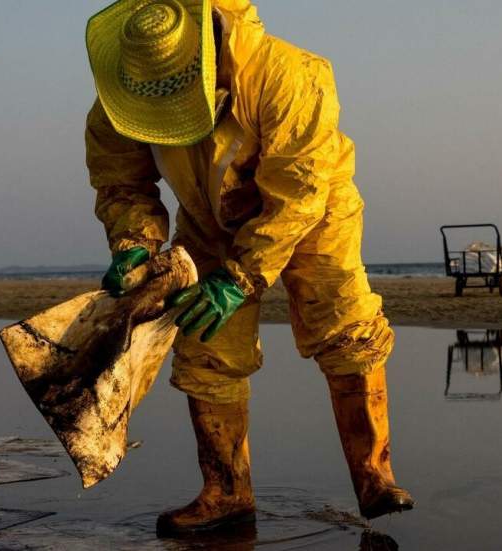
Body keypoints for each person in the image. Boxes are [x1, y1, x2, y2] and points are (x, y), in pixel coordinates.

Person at [84, 0, 413, 535]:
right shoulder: (121, 99)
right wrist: (134, 245)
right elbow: (122, 184)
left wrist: (241, 276)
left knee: (344, 323)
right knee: (205, 345)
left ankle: (375, 475)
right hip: (208, 217)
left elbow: (298, 191)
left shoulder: (287, 75)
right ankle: (226, 491)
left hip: (313, 208)